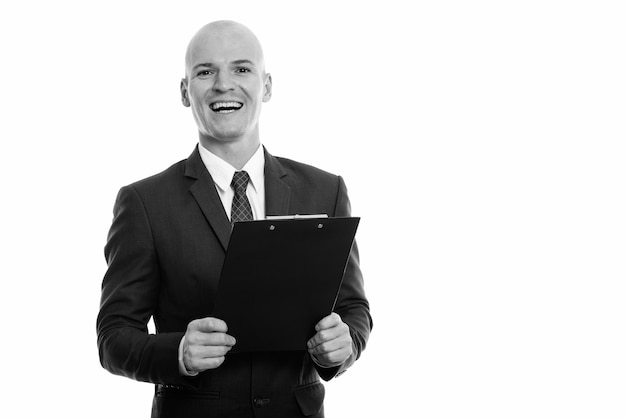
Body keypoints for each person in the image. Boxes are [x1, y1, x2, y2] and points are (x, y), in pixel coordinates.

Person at [97, 20, 372, 418]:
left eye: (242, 69)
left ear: (268, 85)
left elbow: (353, 309)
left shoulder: (324, 190)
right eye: (205, 71)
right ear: (184, 91)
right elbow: (113, 337)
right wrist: (178, 352)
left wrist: (345, 345)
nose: (224, 84)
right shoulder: (144, 202)